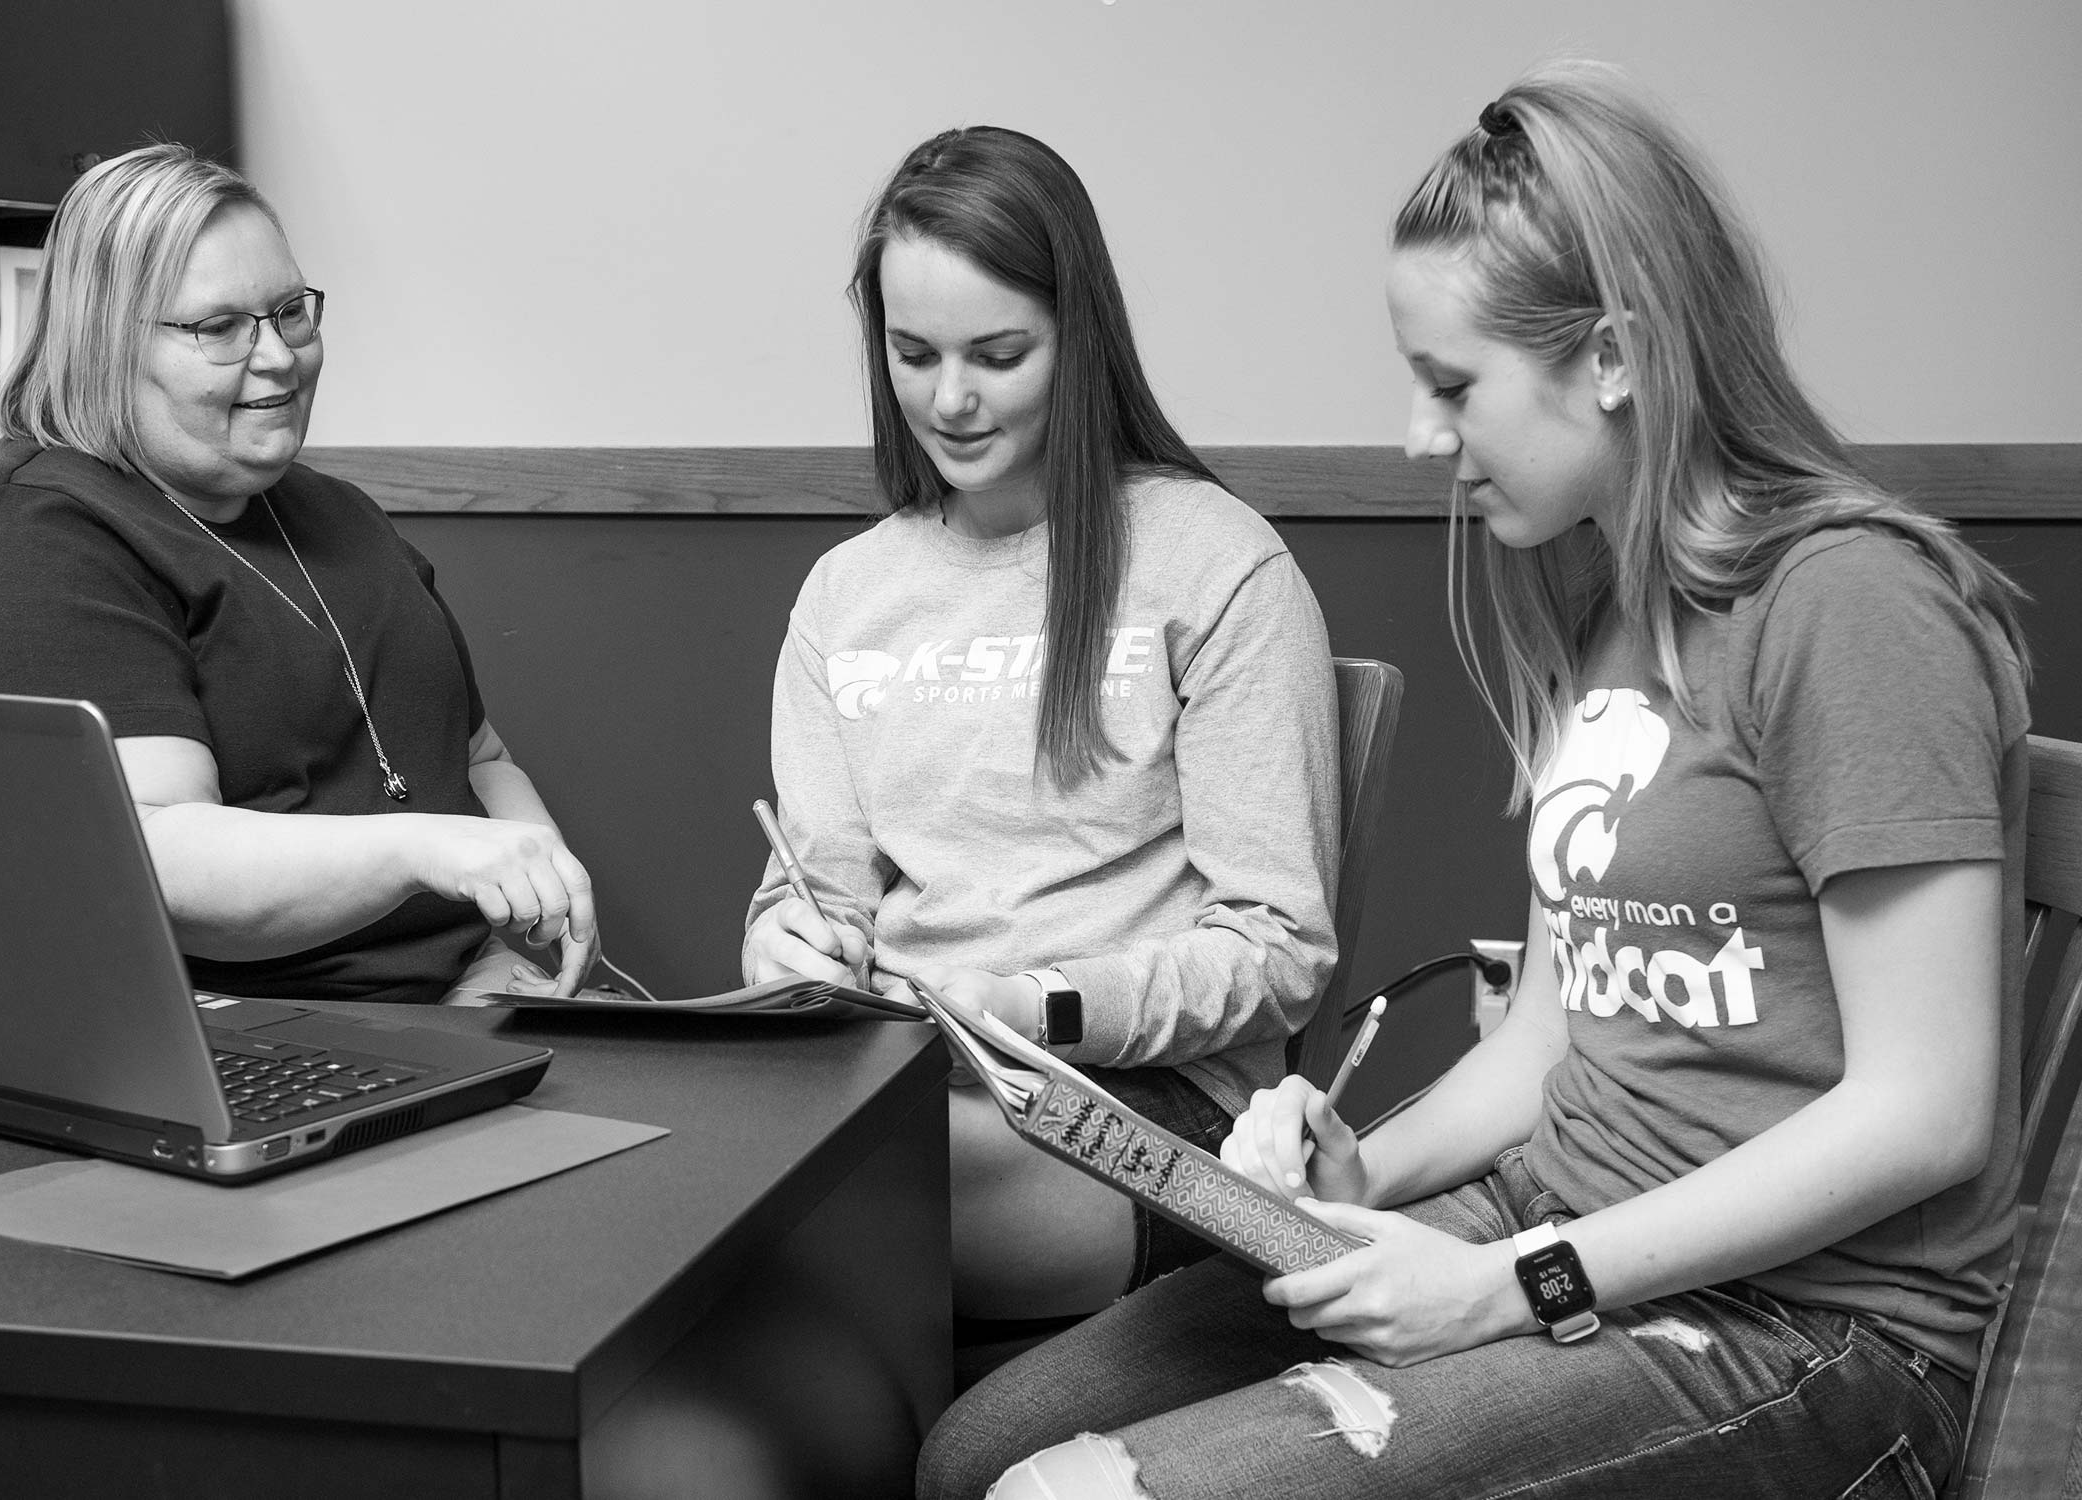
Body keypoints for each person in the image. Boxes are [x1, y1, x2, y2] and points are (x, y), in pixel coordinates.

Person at [918, 61, 2032, 1500]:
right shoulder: (1613, 604)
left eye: (1453, 385)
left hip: (1810, 1330)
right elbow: (1542, 1044)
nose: (1420, 436)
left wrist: (1519, 1283)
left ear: (1616, 354)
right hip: (1553, 1226)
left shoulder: (1854, 607)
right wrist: (1351, 1182)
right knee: (975, 1453)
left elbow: (1929, 1109)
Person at [744, 126, 1341, 1323]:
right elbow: (811, 894)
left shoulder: (1215, 565)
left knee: (782, 1219)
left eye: (998, 354)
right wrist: (785, 951)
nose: (949, 399)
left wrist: (1042, 1006)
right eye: (912, 354)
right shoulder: (845, 597)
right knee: (723, 1181)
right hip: (904, 1084)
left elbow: (1279, 952)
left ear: (1079, 339)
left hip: (1155, 1115)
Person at [0, 144, 596, 1005]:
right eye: (218, 329)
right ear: (102, 344)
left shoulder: (333, 511)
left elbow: (479, 756)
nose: (280, 356)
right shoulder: (31, 541)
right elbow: (153, 861)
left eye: (290, 312)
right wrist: (420, 852)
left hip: (454, 1004)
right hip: (229, 1033)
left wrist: (528, 925)